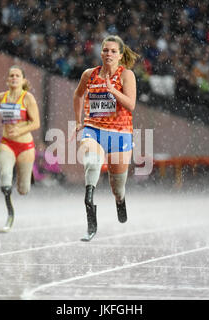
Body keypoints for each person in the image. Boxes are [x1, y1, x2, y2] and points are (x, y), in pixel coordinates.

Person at [73, 35, 139, 241]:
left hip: (120, 135)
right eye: (105, 50)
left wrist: (113, 91)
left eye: (113, 51)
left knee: (117, 187)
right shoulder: (89, 74)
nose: (108, 54)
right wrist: (78, 122)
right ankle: (90, 215)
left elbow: (131, 105)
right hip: (93, 130)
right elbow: (78, 95)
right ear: (100, 53)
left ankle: (120, 200)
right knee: (92, 162)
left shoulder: (126, 75)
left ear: (120, 55)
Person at [0, 65, 40, 233]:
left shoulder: (28, 98)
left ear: (23, 80)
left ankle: (26, 174)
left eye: (17, 76)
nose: (14, 78)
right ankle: (10, 214)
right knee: (5, 178)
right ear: (7, 80)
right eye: (11, 76)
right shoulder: (1, 97)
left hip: (25, 146)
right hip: (7, 143)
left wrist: (21, 130)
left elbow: (36, 123)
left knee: (23, 190)